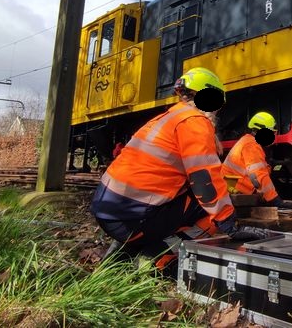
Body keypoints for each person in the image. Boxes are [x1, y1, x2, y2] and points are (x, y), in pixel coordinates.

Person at [90, 67, 266, 269]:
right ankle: (159, 259)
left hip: (108, 212)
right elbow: (204, 178)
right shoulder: (195, 122)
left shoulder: (168, 118)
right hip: (129, 220)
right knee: (209, 211)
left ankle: (123, 252)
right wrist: (229, 225)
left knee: (189, 200)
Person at [222, 111, 292, 210]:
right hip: (236, 189)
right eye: (272, 132)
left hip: (232, 185)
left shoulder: (248, 141)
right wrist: (274, 200)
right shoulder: (251, 146)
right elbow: (258, 175)